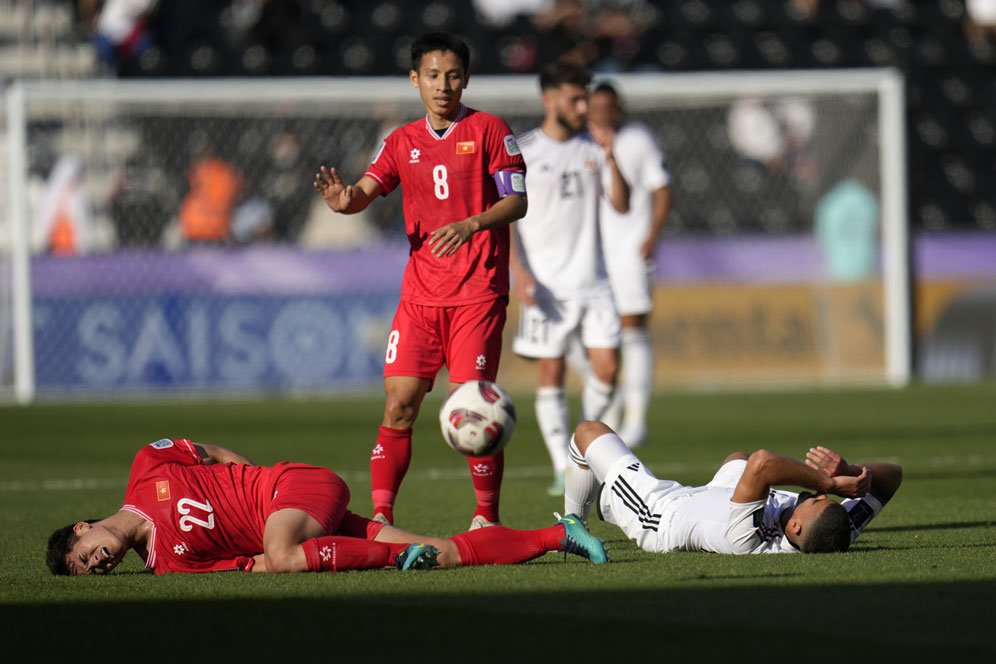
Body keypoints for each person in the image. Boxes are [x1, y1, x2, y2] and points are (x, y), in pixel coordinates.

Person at [312, 33, 528, 530]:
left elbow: (517, 201)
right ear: (415, 80)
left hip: (477, 293)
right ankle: (384, 516)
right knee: (399, 404)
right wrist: (344, 201)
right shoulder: (400, 141)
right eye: (432, 75)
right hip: (420, 299)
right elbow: (364, 193)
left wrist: (472, 223)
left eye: (453, 75)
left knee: (475, 405)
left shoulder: (491, 129)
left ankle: (485, 520)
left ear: (466, 79)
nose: (443, 85)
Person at [46, 437, 607, 576]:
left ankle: (395, 558)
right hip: (303, 528)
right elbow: (252, 565)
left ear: (82, 528)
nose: (97, 563)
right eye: (90, 570)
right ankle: (562, 536)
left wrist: (255, 478)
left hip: (292, 489)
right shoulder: (167, 563)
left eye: (83, 555)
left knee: (285, 551)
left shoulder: (147, 465)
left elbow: (210, 451)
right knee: (447, 554)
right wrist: (271, 548)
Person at [510, 61, 629, 498]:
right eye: (575, 99)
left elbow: (620, 203)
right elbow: (507, 219)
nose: (584, 107)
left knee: (608, 370)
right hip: (546, 285)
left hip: (594, 282)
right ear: (550, 99)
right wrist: (519, 273)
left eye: (586, 98)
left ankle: (581, 446)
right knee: (552, 371)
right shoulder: (522, 150)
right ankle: (564, 463)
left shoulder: (594, 148)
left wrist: (611, 154)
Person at [564, 420, 902, 554]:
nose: (821, 496)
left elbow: (765, 464)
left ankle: (571, 527)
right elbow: (893, 476)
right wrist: (854, 473)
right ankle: (598, 506)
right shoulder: (833, 532)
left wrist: (828, 479)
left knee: (588, 433)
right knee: (738, 457)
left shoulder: (746, 541)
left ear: (796, 526)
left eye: (816, 501)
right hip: (718, 499)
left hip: (662, 513)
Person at [580, 81, 672, 449]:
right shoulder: (580, 143)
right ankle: (611, 413)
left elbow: (662, 189)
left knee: (632, 330)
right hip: (591, 256)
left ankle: (635, 420)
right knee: (594, 339)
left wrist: (652, 234)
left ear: (618, 108)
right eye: (595, 106)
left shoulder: (638, 140)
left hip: (630, 251)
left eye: (608, 107)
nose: (602, 113)